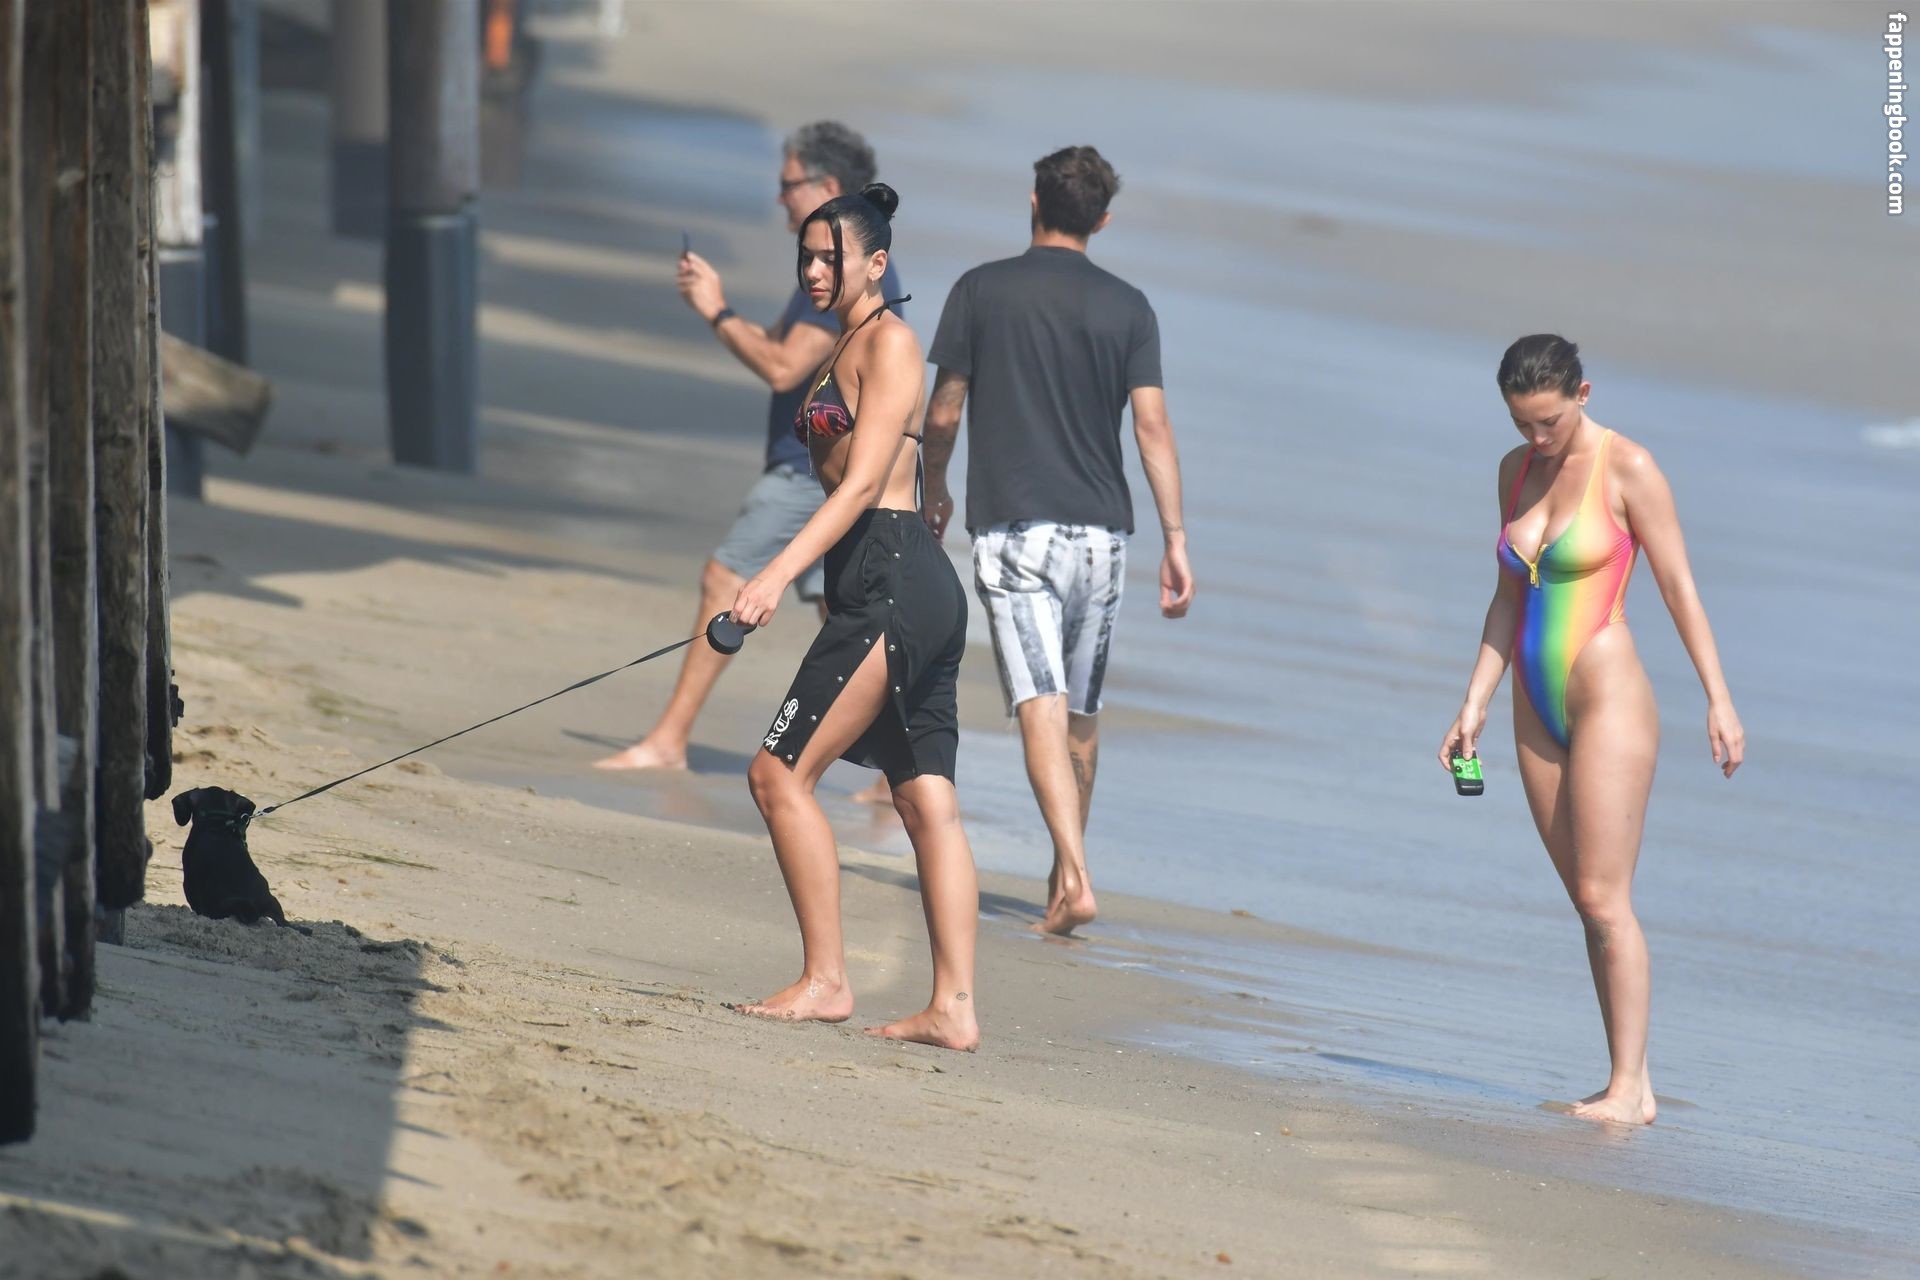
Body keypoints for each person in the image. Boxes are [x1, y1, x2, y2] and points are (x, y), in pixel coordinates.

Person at [1438, 334, 1745, 1126]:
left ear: (1583, 393)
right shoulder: (1514, 472)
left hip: (1608, 697)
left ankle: (1629, 1088)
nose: (1537, 437)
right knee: (1585, 898)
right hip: (1532, 703)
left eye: (1549, 421)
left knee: (1607, 899)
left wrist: (1718, 698)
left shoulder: (1627, 466)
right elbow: (1507, 596)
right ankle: (1625, 1080)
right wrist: (1474, 700)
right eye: (1522, 423)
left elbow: (1678, 586)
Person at [728, 183, 979, 1052]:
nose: (814, 270)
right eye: (807, 257)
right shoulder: (845, 343)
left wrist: (774, 576)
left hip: (895, 579)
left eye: (830, 258)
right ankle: (952, 1008)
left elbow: (866, 482)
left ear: (877, 263)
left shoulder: (891, 342)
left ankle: (827, 981)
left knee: (777, 775)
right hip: (891, 584)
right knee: (923, 800)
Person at [920, 145, 1193, 937]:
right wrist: (1176, 538)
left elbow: (945, 411)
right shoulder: (1130, 307)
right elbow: (1152, 427)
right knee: (1081, 714)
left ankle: (1074, 874)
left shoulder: (980, 289)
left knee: (1039, 703)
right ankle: (1060, 879)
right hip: (1103, 538)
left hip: (1017, 531)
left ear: (1034, 201)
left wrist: (933, 486)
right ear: (1102, 221)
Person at [595, 121, 902, 796]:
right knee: (844, 617)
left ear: (826, 185)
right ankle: (895, 765)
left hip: (810, 470)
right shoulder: (836, 260)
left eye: (788, 184)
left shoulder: (843, 269)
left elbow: (783, 364)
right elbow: (790, 352)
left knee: (725, 579)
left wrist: (716, 309)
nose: (779, 197)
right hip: (821, 465)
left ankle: (668, 741)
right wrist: (723, 311)